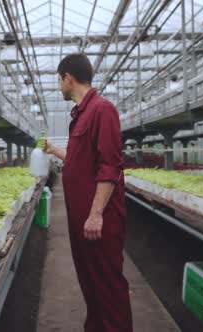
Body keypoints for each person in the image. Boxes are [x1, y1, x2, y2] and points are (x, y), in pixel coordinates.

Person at [44, 53, 132, 332]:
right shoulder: (82, 115)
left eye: (59, 80)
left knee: (107, 284)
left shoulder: (102, 110)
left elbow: (110, 167)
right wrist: (54, 151)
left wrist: (95, 214)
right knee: (90, 281)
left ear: (68, 78)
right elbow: (81, 161)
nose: (59, 86)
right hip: (81, 221)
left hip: (98, 222)